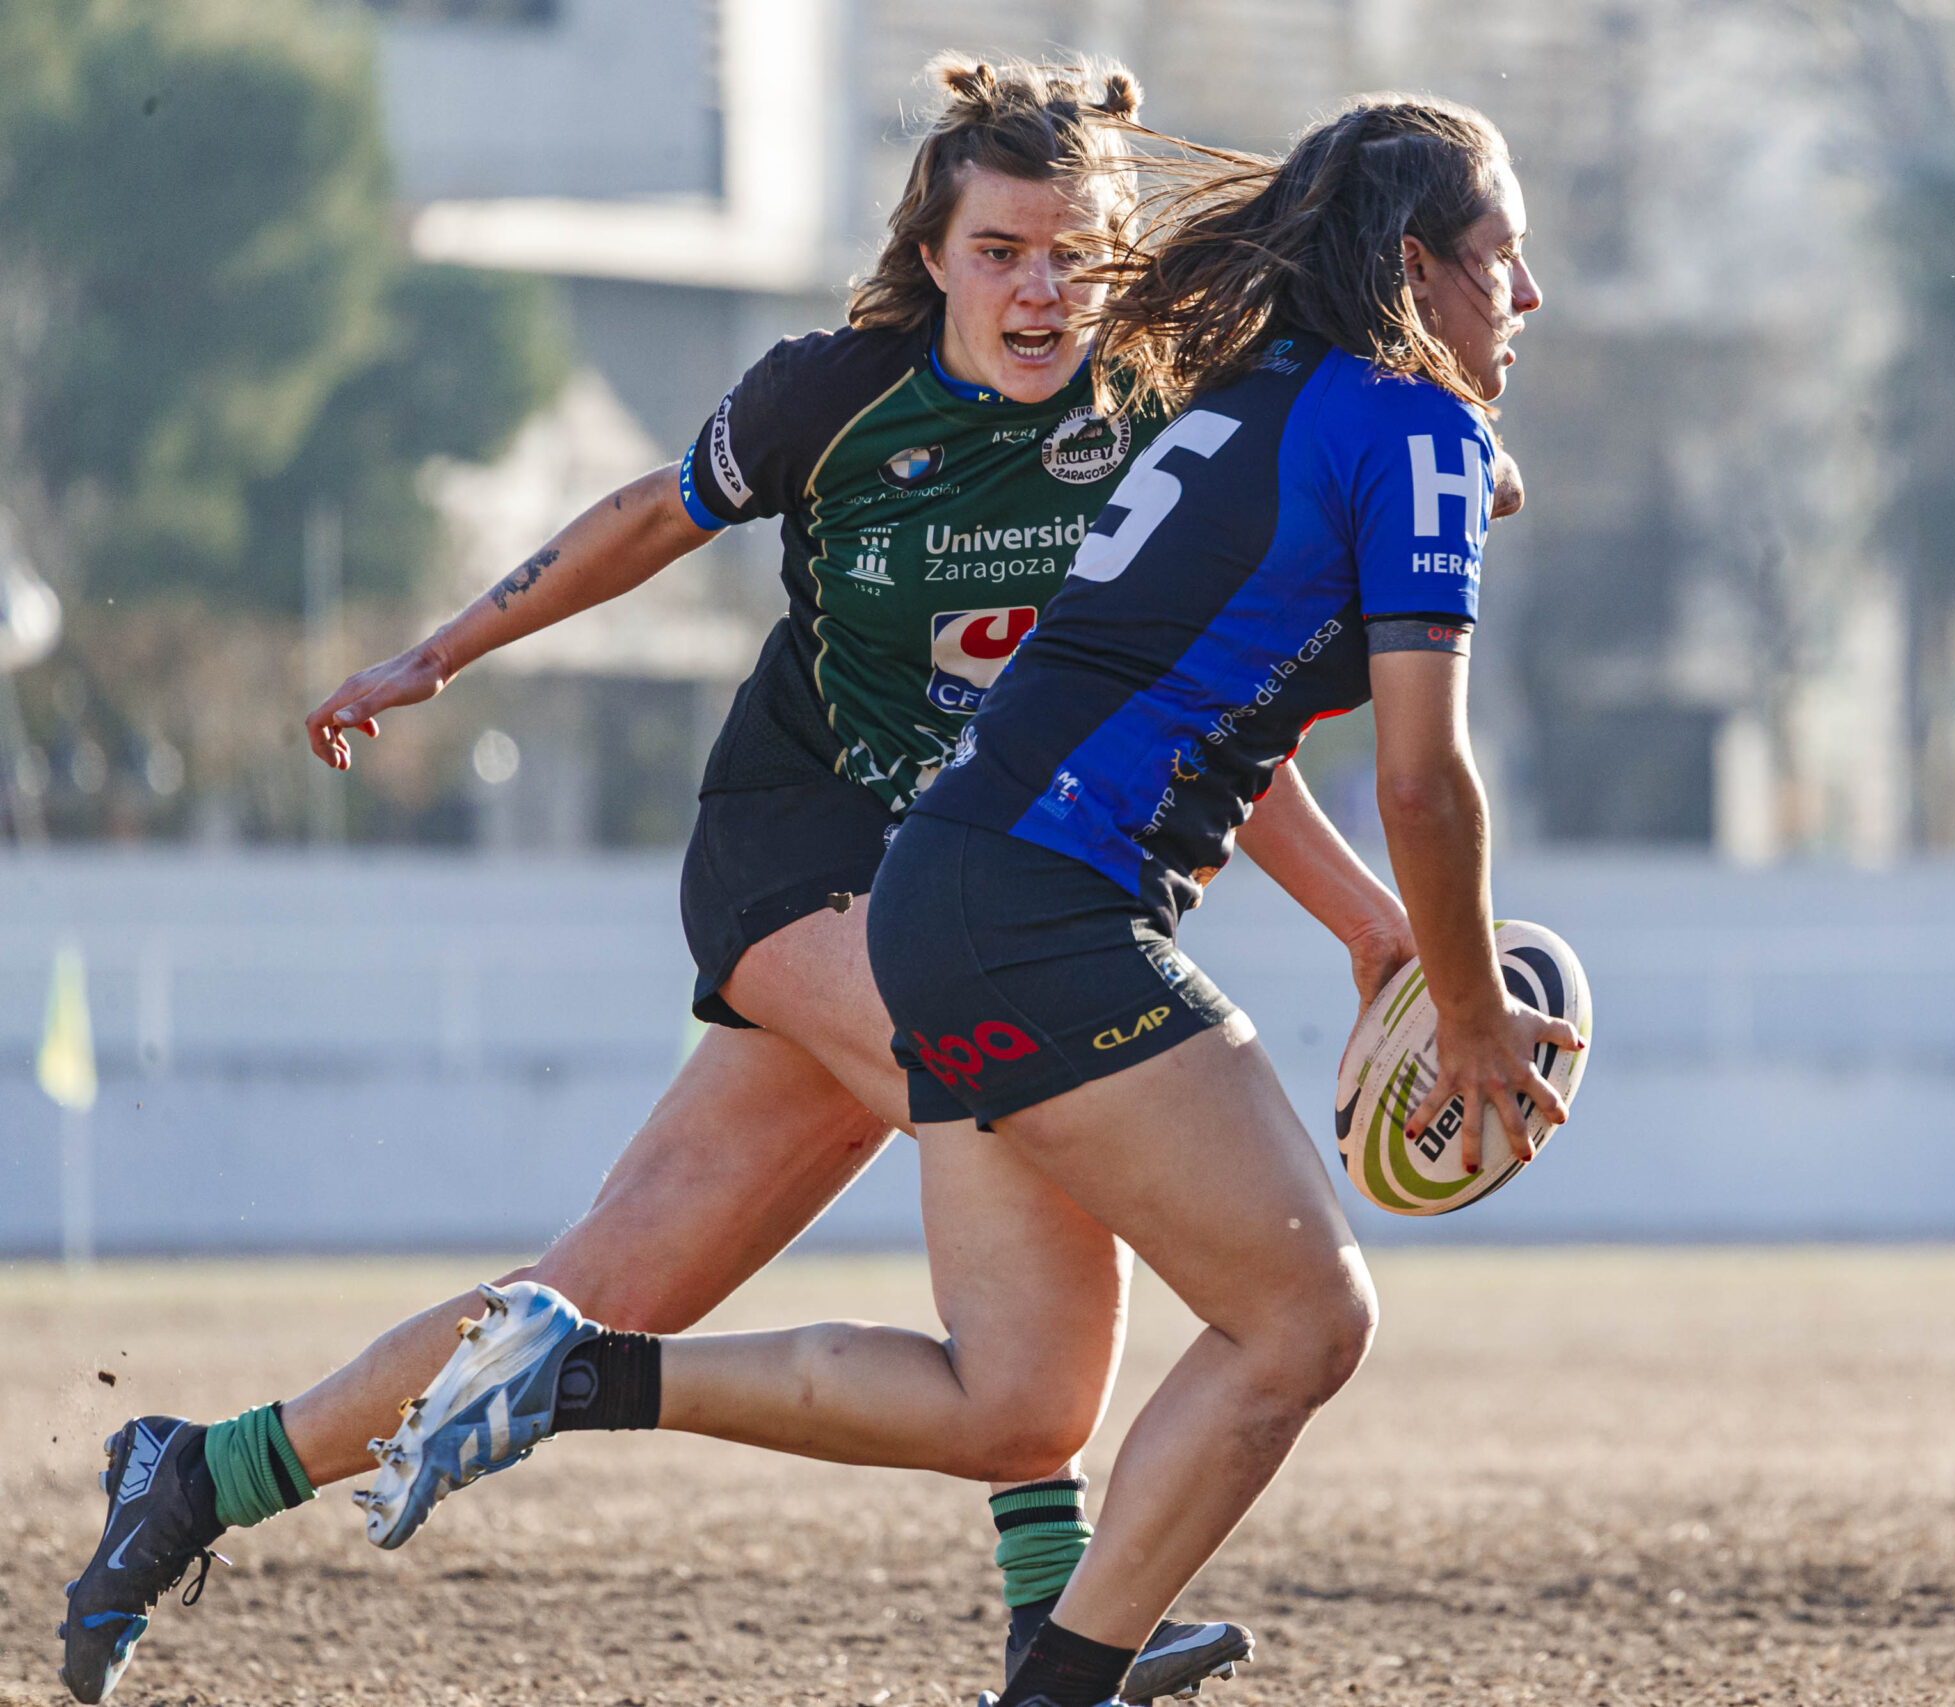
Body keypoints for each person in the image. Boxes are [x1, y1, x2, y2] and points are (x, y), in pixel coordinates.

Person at [57, 57, 1440, 1707]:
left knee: (604, 1290)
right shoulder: (838, 395)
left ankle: (202, 1472)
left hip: (974, 889)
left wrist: (1376, 930)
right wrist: (444, 649)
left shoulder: (1163, 434)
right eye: (1001, 249)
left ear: (1124, 258)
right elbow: (649, 517)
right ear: (936, 252)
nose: (1039, 286)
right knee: (1039, 1106)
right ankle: (1053, 1601)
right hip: (803, 860)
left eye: (1076, 251)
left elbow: (1211, 732)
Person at [359, 92, 1573, 1707]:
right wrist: (1468, 1015)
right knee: (1302, 1322)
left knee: (1018, 1407)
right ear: (1421, 267)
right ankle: (1054, 1684)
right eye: (1508, 260)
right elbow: (1422, 783)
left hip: (953, 886)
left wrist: (1378, 936)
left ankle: (578, 1370)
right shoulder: (1380, 426)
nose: (1531, 298)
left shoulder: (1246, 402)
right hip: (1036, 907)